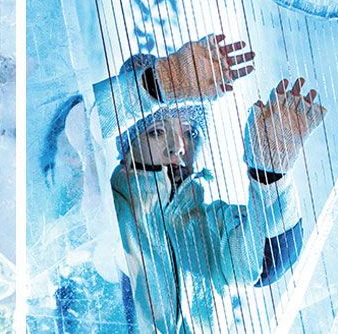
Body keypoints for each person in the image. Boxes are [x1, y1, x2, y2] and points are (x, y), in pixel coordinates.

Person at [94, 38, 324, 333]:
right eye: (156, 132)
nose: (178, 147)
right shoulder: (100, 202)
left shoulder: (212, 228)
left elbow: (270, 258)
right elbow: (68, 129)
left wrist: (270, 176)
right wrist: (159, 82)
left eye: (189, 132)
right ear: (124, 144)